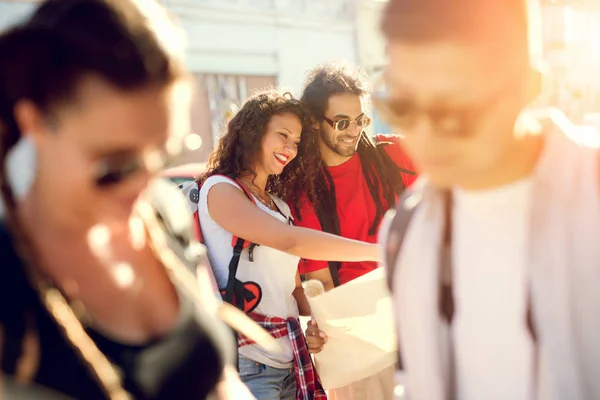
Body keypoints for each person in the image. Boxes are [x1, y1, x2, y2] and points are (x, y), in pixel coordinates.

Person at [0, 0, 249, 399]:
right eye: (116, 164)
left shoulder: (163, 214)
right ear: (35, 123)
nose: (144, 182)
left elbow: (218, 380)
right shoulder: (8, 279)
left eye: (164, 152)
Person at [378, 1, 600, 400]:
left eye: (456, 110)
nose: (424, 134)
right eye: (402, 105)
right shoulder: (404, 232)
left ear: (529, 88)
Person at [190, 89, 381, 400]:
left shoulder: (280, 207)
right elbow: (290, 242)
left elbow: (292, 290)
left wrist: (316, 326)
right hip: (249, 363)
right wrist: (378, 251)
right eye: (282, 135)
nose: (290, 148)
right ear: (253, 133)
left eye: (296, 141)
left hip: (290, 361)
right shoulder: (220, 189)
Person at [288, 62, 416, 400]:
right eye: (342, 122)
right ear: (315, 120)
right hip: (356, 341)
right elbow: (321, 283)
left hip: (415, 320)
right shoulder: (304, 192)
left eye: (360, 120)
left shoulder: (392, 156)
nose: (353, 130)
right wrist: (318, 328)